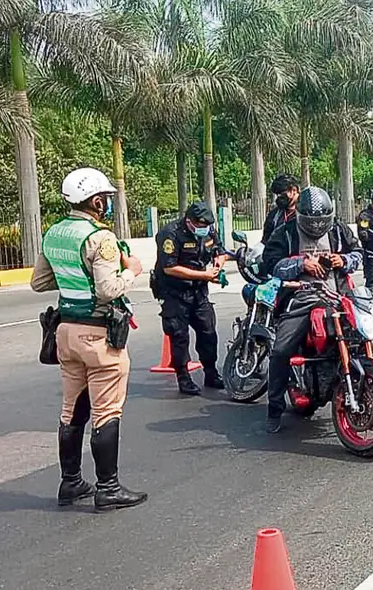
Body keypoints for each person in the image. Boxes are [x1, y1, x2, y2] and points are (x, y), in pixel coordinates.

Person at [30, 167, 147, 511]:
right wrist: (132, 271)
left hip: (65, 333)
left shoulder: (54, 233)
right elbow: (107, 290)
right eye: (106, 199)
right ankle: (107, 487)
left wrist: (72, 281)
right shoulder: (101, 238)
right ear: (96, 201)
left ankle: (70, 483)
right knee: (106, 411)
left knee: (71, 409)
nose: (107, 204)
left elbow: (39, 282)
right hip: (98, 335)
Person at [261, 186, 363, 434]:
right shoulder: (285, 233)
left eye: (322, 221)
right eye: (312, 221)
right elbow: (271, 265)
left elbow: (358, 253)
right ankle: (274, 409)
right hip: (300, 298)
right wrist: (301, 263)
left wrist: (344, 260)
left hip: (338, 296)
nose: (318, 226)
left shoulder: (338, 230)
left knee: (363, 335)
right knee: (281, 350)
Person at [152, 202, 226, 395]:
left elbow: (220, 250)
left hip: (199, 292)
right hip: (174, 293)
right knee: (179, 337)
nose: (204, 229)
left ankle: (211, 373)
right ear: (189, 221)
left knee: (208, 332)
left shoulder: (209, 230)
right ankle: (183, 378)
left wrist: (219, 260)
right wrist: (204, 275)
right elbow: (169, 268)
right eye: (200, 226)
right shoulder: (170, 234)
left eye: (206, 226)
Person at [261, 173, 299, 245]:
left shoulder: (306, 213)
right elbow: (265, 241)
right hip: (277, 254)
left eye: (281, 194)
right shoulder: (274, 215)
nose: (278, 197)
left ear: (293, 190)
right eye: (276, 194)